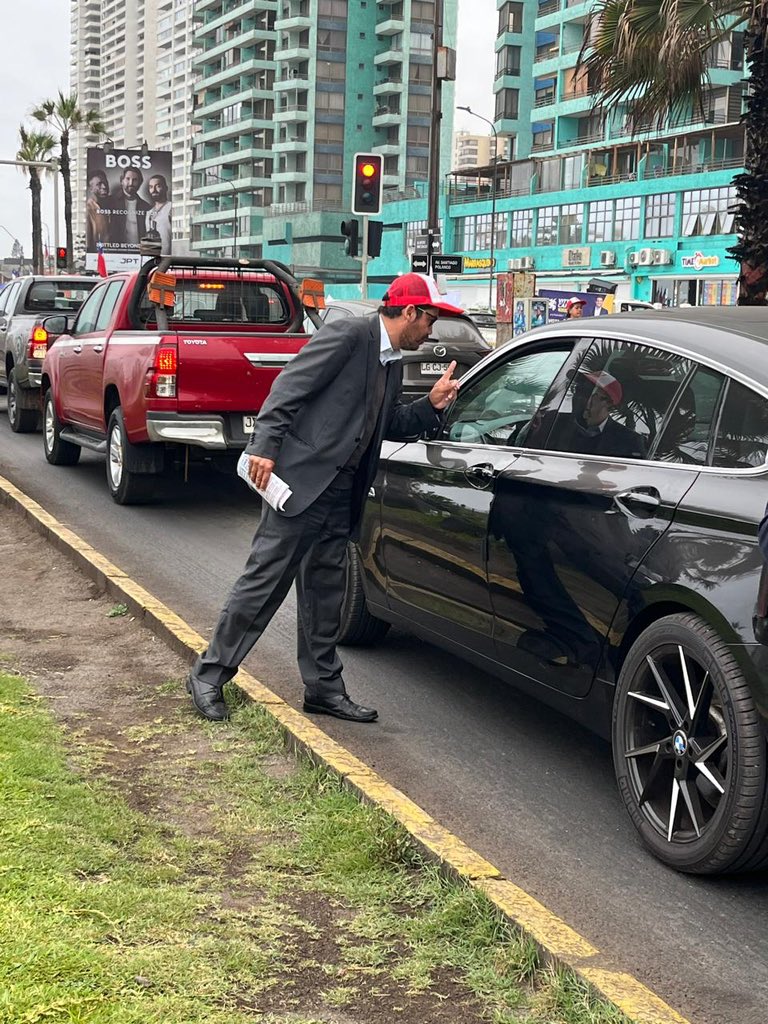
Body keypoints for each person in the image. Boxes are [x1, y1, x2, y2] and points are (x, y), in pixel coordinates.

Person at [186, 273, 463, 724]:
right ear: (409, 312)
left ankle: (323, 690)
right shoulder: (349, 334)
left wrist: (430, 405)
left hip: (341, 490)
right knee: (265, 582)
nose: (431, 331)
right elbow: (290, 387)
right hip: (301, 484)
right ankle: (209, 675)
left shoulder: (390, 360)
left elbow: (381, 422)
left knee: (325, 591)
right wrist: (264, 447)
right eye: (430, 319)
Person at [547, 368, 647, 459]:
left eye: (587, 393)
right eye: (577, 390)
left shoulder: (629, 441)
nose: (578, 397)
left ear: (609, 403)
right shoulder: (552, 422)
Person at [104, 168, 150, 247]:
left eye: (135, 180)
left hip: (139, 253)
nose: (131, 183)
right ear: (122, 181)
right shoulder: (109, 202)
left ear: (140, 183)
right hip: (115, 252)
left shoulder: (146, 207)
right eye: (128, 179)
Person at [146, 174, 173, 253]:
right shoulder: (149, 213)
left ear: (166, 188)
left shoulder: (171, 207)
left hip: (168, 259)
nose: (153, 190)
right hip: (153, 258)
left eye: (157, 186)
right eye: (151, 187)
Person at [85, 170, 110, 249]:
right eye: (99, 184)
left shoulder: (113, 204)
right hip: (98, 256)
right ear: (91, 188)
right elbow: (87, 242)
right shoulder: (88, 209)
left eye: (105, 183)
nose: (104, 187)